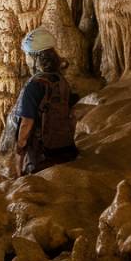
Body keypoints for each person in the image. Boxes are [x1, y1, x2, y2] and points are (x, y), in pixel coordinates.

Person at [13, 27, 78, 177]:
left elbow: (26, 123)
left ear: (36, 58)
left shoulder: (35, 85)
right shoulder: (61, 80)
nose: (27, 59)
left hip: (43, 156)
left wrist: (19, 148)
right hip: (67, 150)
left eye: (28, 55)